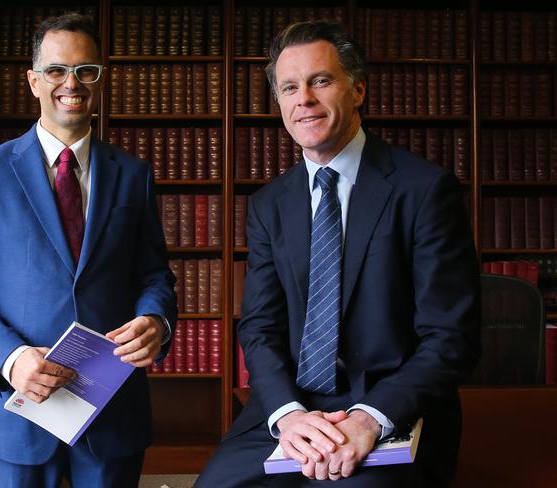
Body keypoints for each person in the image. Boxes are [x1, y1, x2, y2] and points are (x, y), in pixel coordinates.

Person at [196, 20, 480, 488]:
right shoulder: (270, 205)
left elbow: (452, 337)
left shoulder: (424, 190)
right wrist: (288, 414)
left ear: (359, 89)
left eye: (320, 81)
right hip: (295, 408)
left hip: (394, 410)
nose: (303, 98)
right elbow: (261, 328)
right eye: (289, 87)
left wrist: (370, 418)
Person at [0, 13, 176, 487]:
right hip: (15, 413)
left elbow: (154, 276)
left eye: (87, 71)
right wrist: (11, 358)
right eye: (57, 70)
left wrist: (156, 322)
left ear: (100, 80)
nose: (73, 83)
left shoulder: (134, 175)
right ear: (34, 81)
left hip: (110, 408)